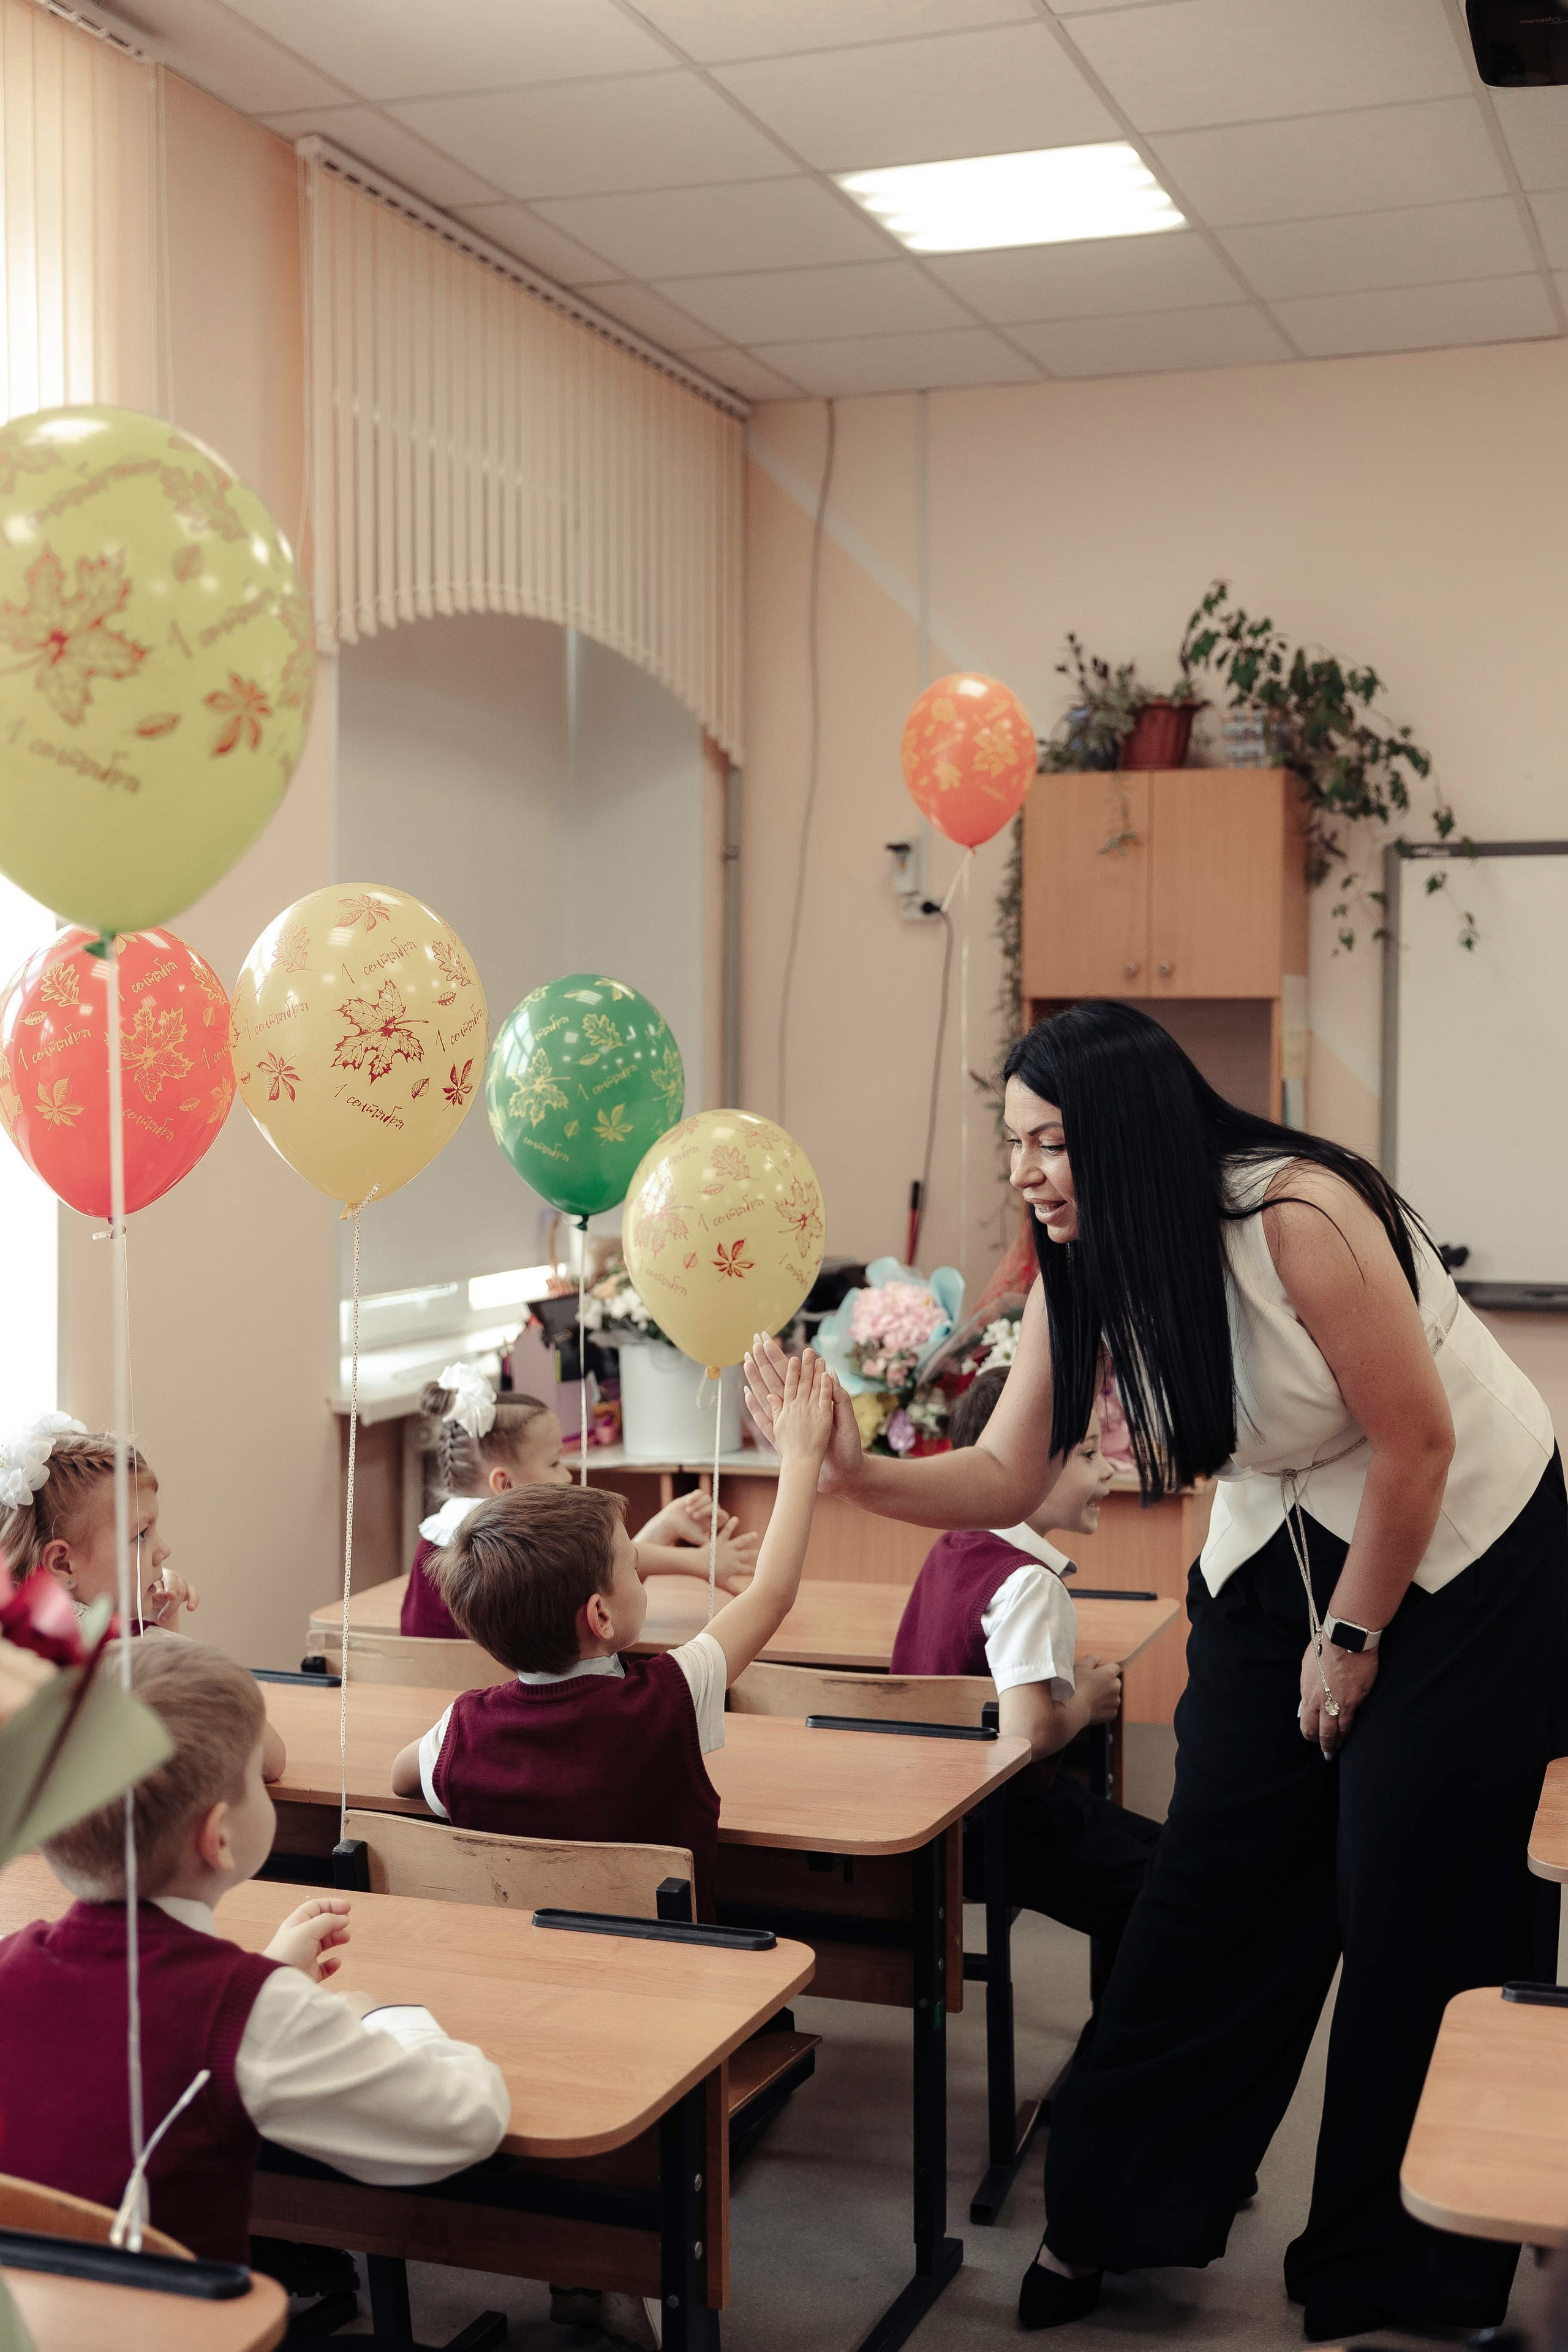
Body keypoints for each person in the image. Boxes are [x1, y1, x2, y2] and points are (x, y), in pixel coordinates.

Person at [745, 1001, 1565, 2344]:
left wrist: (1352, 1642)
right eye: (1014, 1143)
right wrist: (846, 1471)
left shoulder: (1298, 1213)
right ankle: (1112, 2210)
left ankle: (1401, 2268)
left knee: (1407, 1889)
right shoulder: (1084, 1258)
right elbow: (1006, 1472)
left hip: (1461, 1545)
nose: (1024, 1173)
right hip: (1279, 1536)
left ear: (1126, 1130)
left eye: (1050, 1142)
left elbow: (1416, 1446)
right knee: (1212, 1884)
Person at [0, 1638, 510, 2262]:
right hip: (179, 2311)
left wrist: (264, 1980)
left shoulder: (8, 1962)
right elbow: (465, 2121)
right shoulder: (253, 2017)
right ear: (219, 1837)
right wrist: (381, 2016)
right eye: (254, 1780)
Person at [391, 1350, 838, 1919]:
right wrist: (801, 1456)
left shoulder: (463, 1729)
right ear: (600, 1616)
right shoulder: (671, 1695)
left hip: (522, 1962)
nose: (640, 1569)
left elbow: (401, 1777)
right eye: (632, 1564)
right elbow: (771, 1593)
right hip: (670, 1963)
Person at [891, 1370, 1159, 2002]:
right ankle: (1116, 2049)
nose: (1108, 1469)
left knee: (1163, 1857)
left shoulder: (954, 1544)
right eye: (1088, 1455)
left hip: (933, 1806)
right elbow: (1027, 1734)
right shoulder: (1031, 1583)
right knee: (1169, 1889)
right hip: (993, 1823)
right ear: (1017, 1470)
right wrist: (1086, 1703)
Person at [402, 1365, 760, 1637]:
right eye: (554, 1463)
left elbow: (598, 1578)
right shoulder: (506, 1547)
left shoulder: (435, 1540)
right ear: (504, 1484)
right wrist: (696, 1560)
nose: (567, 1477)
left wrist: (663, 1527)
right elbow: (602, 1562)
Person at [0, 1417, 199, 1632]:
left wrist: (160, 1618)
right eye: (141, 1535)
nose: (164, 1551)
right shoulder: (72, 1649)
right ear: (62, 1564)